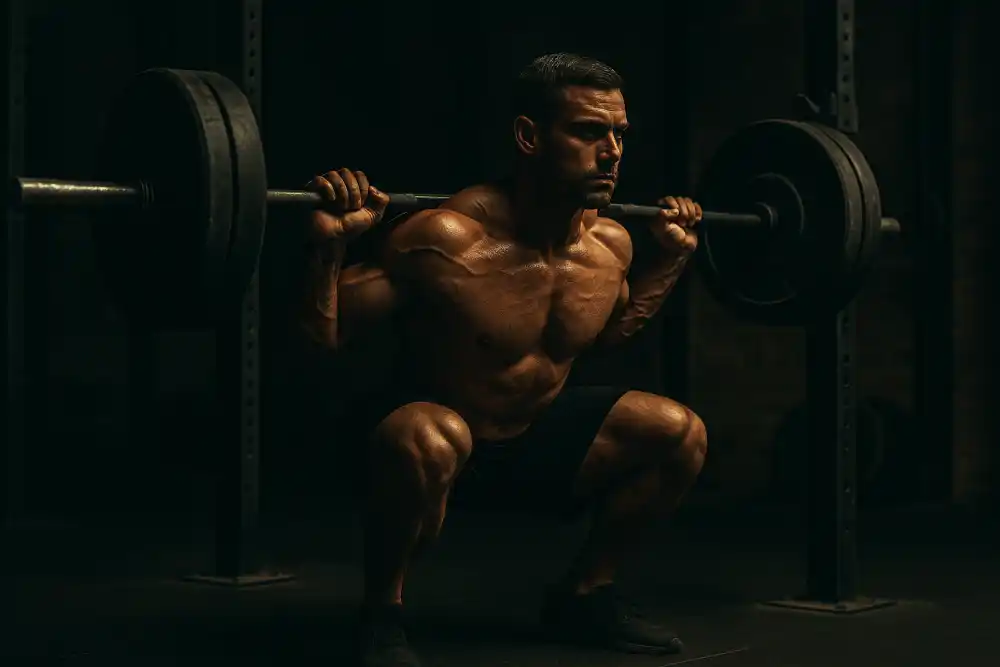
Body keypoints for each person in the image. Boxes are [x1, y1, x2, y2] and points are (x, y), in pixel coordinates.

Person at [300, 53, 707, 667]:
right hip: (431, 439)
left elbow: (604, 334)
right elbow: (320, 342)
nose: (613, 152)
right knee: (429, 435)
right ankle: (383, 612)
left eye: (619, 134)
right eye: (590, 132)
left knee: (680, 432)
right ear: (529, 137)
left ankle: (584, 595)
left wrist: (671, 262)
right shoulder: (444, 238)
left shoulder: (612, 246)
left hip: (533, 436)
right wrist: (327, 249)